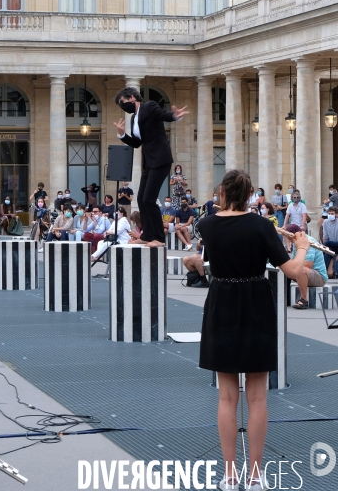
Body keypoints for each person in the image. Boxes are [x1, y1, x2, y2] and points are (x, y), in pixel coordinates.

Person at [198, 169, 310, 491]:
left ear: (222, 192)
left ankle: (230, 475)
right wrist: (300, 244)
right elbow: (291, 270)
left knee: (227, 397)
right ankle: (256, 475)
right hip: (255, 305)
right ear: (249, 194)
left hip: (221, 304)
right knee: (258, 397)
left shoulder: (207, 225)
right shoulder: (263, 226)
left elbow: (216, 227)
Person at [114, 86, 188, 247]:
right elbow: (137, 143)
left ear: (132, 97)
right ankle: (147, 235)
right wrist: (122, 135)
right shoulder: (134, 118)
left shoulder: (149, 106)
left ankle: (159, 238)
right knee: (141, 199)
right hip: (149, 162)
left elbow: (163, 115)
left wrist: (175, 116)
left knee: (149, 199)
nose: (122, 106)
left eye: (123, 102)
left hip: (160, 159)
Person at [285, 223, 328, 310]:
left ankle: (303, 300)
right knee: (284, 269)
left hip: (319, 276)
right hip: (309, 273)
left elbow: (308, 264)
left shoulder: (308, 241)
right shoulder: (297, 242)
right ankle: (285, 299)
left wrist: (291, 265)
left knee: (301, 270)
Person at [322, 206, 338, 277]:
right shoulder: (325, 222)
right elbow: (325, 236)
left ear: (336, 215)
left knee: (327, 243)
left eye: (332, 213)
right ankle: (325, 271)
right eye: (329, 213)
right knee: (327, 251)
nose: (330, 215)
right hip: (330, 245)